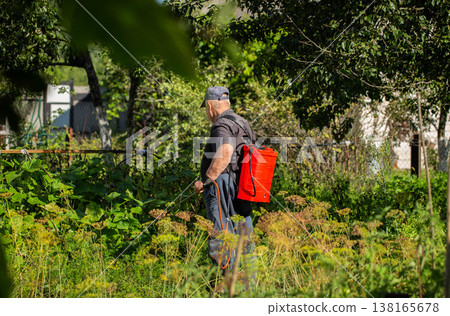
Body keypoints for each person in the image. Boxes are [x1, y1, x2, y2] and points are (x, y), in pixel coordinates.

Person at [194, 86, 256, 275]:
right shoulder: (243, 123)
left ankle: (227, 284)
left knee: (221, 234)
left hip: (222, 185)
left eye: (206, 109)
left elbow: (226, 152)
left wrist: (206, 181)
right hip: (243, 186)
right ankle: (249, 284)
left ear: (210, 107)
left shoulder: (222, 124)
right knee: (243, 233)